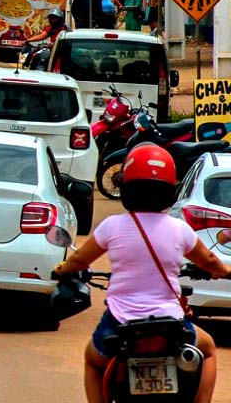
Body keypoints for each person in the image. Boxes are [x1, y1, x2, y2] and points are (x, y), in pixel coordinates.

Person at [53, 143, 231, 403]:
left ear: (126, 187)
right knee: (209, 350)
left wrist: (61, 269)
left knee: (93, 361)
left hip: (120, 323)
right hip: (169, 324)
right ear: (170, 189)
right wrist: (225, 271)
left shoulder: (112, 226)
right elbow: (210, 262)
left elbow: (79, 259)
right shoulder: (179, 229)